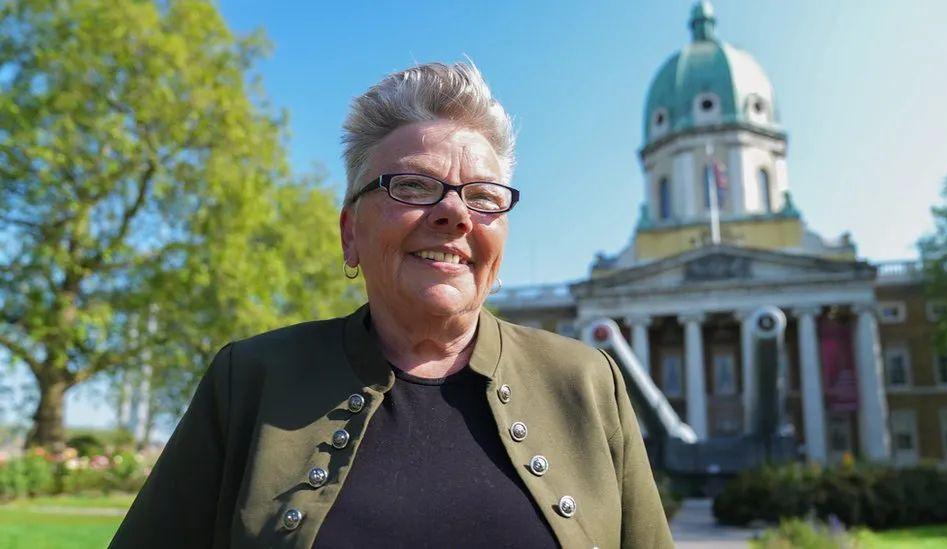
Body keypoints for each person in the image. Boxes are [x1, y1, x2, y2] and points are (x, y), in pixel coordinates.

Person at [110, 61, 674, 549]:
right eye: (411, 186)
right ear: (350, 232)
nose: (455, 214)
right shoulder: (250, 381)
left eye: (482, 197)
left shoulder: (587, 382)